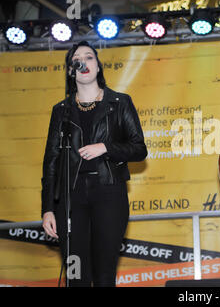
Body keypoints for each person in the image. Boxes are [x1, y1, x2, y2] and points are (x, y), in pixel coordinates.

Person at [41, 41, 147, 286]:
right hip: (71, 197)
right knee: (76, 274)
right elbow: (51, 161)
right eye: (77, 59)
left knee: (103, 275)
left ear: (98, 67)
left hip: (108, 192)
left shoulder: (120, 102)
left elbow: (139, 149)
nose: (84, 62)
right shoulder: (61, 110)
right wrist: (48, 207)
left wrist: (107, 147)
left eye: (89, 57)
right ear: (71, 70)